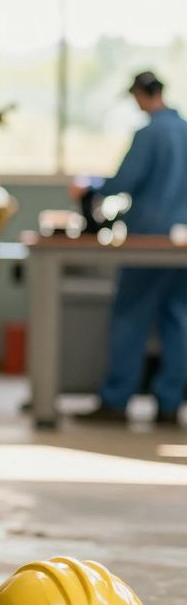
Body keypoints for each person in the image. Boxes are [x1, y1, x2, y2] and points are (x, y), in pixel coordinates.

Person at [72, 71, 187, 426]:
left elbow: (125, 180)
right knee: (177, 320)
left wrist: (90, 186)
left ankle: (116, 400)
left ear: (140, 94)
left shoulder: (149, 133)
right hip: (181, 243)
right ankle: (170, 404)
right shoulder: (184, 130)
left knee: (129, 317)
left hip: (146, 239)